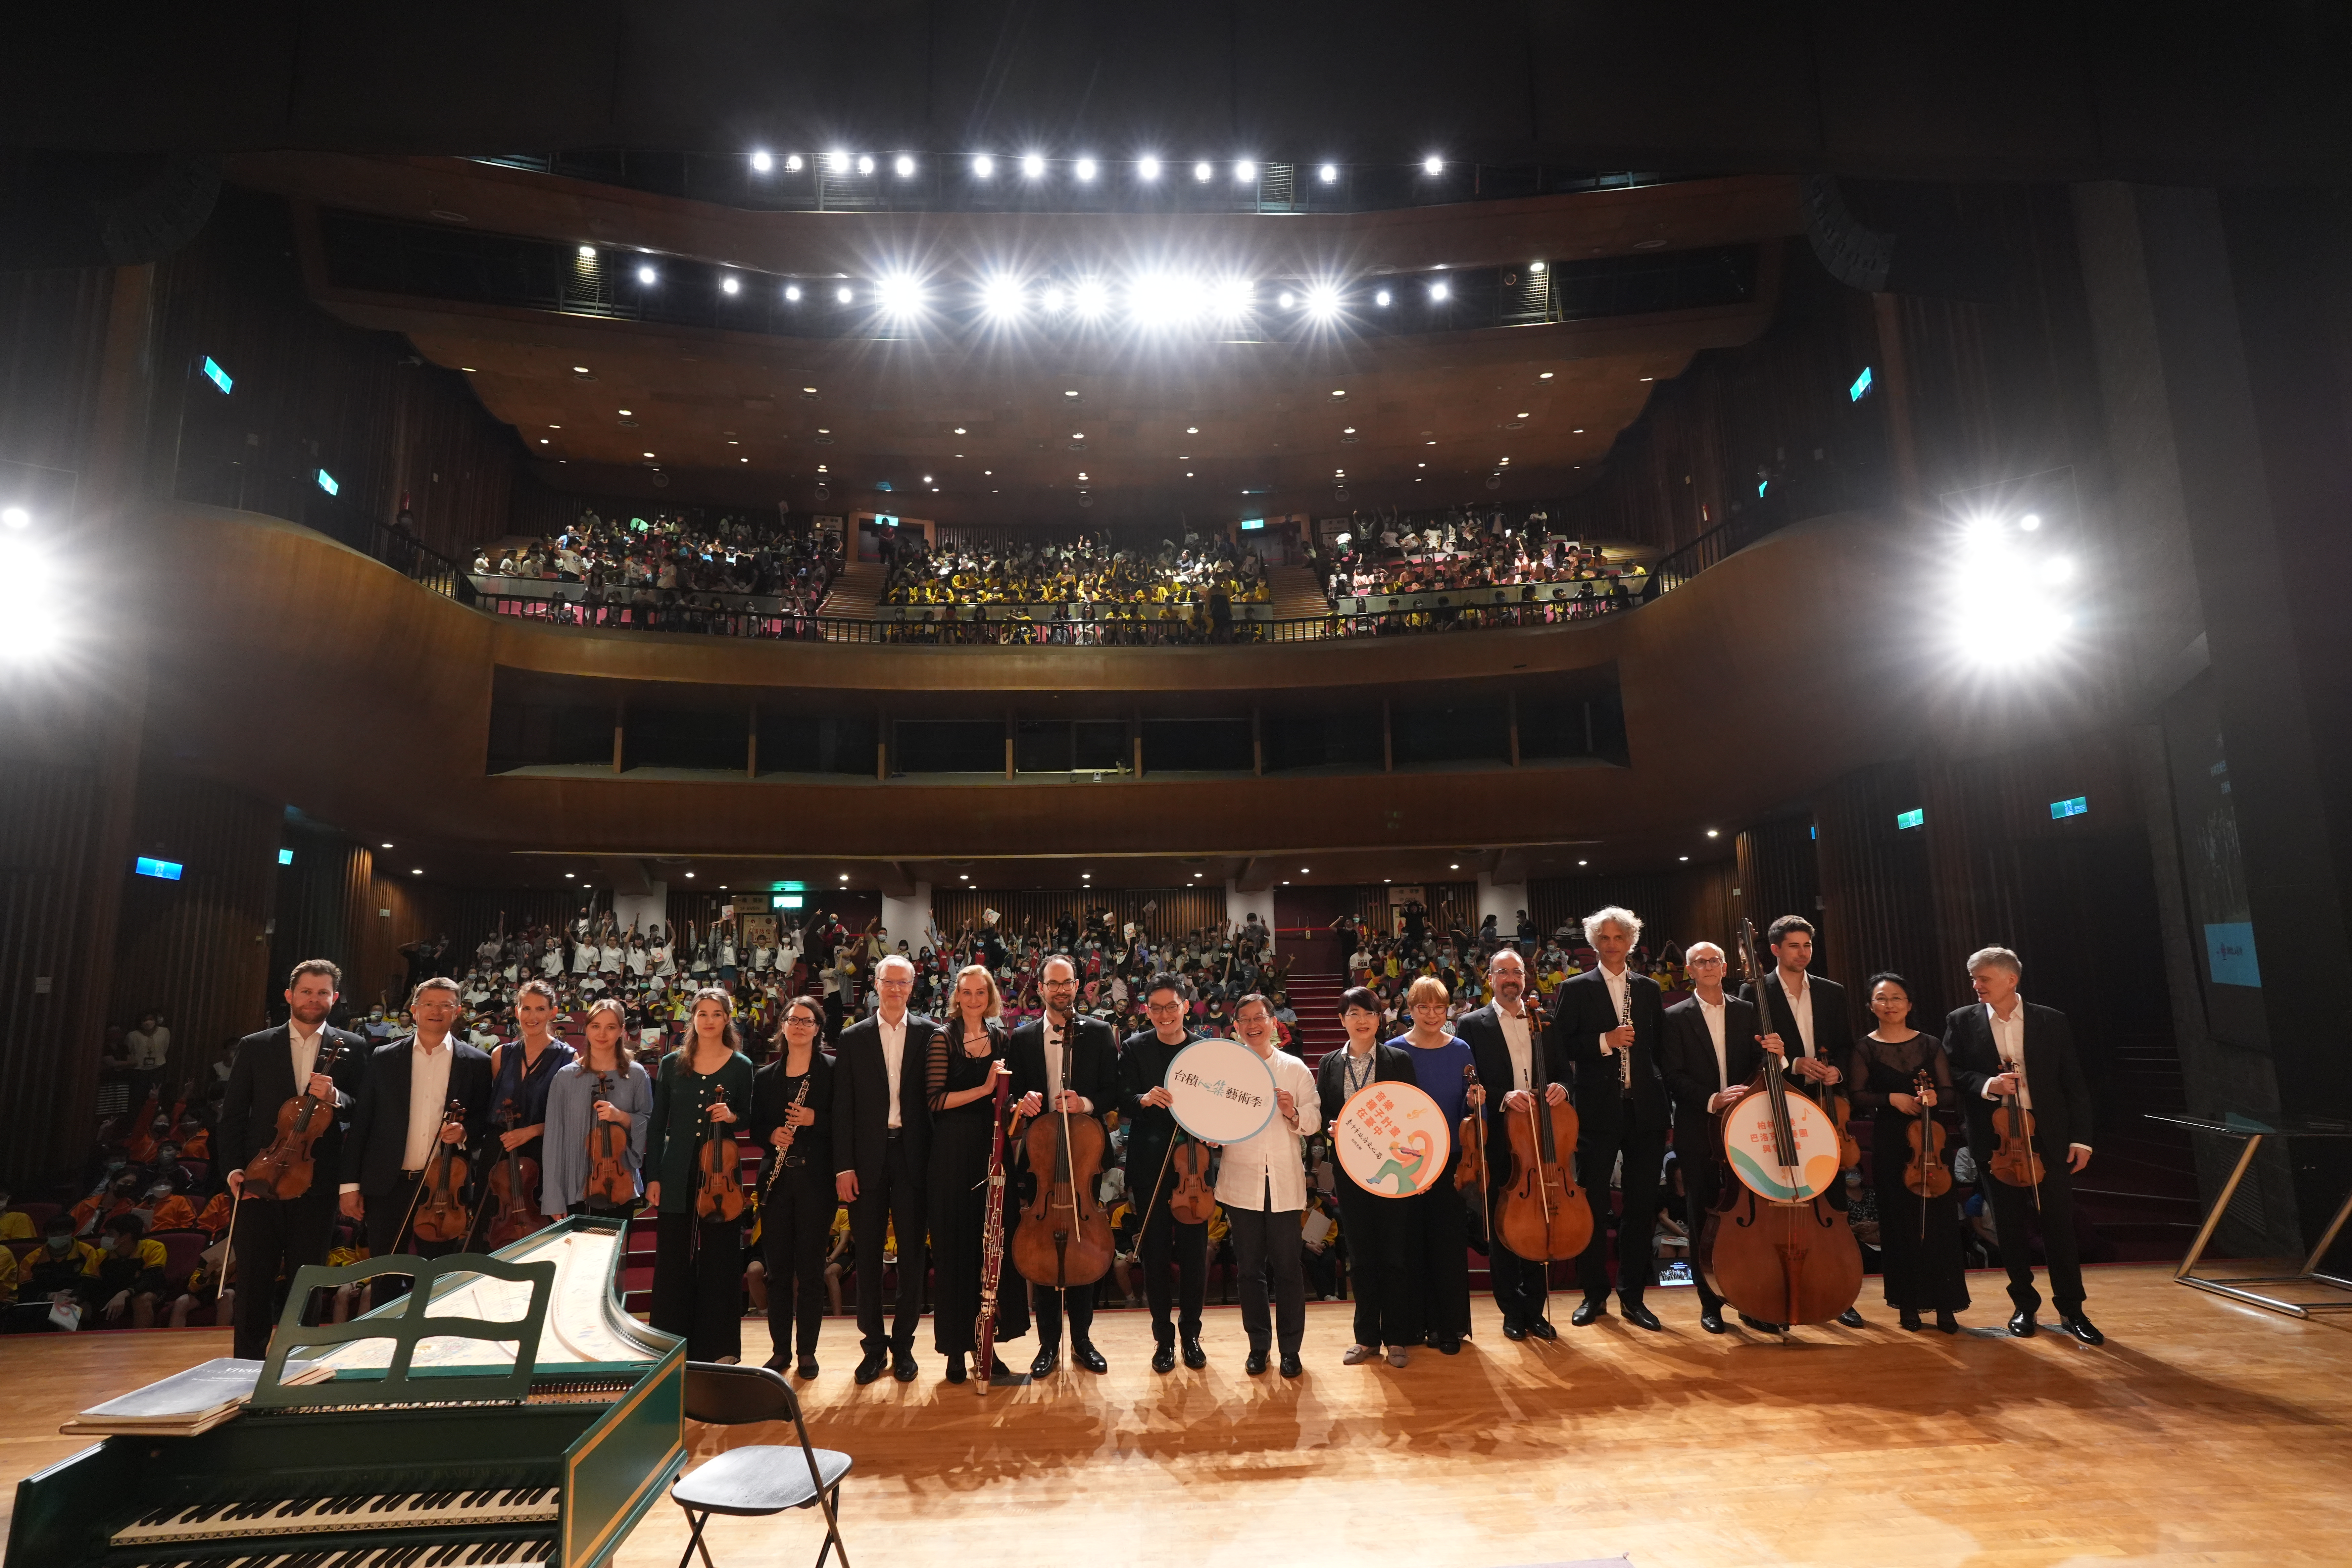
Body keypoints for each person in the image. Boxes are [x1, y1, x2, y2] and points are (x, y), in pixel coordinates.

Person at [1945, 946, 2102, 1345]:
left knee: (2059, 1227)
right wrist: (1987, 1085)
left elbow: (2074, 1083)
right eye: (1974, 978)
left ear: (2011, 980)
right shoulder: (1961, 1021)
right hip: (1997, 1140)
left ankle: (2072, 1308)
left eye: (1984, 978)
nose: (1976, 985)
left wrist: (2081, 1139)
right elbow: (1953, 1072)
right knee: (2009, 1229)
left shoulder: (2051, 1020)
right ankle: (2024, 1306)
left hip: (2047, 1137)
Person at [218, 959, 371, 1360]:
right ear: (290, 995)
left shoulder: (352, 1047)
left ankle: (299, 1363)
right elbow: (233, 1115)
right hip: (261, 1178)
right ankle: (247, 1368)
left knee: (308, 1279)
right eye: (306, 991)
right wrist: (234, 1170)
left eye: (323, 993)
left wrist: (337, 1098)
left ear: (334, 999)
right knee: (254, 1279)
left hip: (317, 1181)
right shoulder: (256, 1046)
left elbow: (363, 1110)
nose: (314, 999)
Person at [339, 978, 493, 1301]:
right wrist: (350, 1186)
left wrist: (466, 1133)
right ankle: (383, 1349)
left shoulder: (477, 1064)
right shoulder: (383, 1057)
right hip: (388, 1184)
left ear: (458, 1011)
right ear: (415, 1010)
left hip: (442, 1189)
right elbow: (363, 1122)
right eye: (429, 1004)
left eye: (446, 1005)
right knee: (385, 1278)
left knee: (436, 1282)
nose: (437, 1011)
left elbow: (483, 1118)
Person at [1555, 907, 1670, 1330]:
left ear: (1631, 941)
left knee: (1640, 1208)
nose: (1611, 944)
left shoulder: (1649, 989)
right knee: (1593, 1205)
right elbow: (1562, 1045)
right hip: (1596, 1111)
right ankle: (1593, 1295)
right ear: (1594, 943)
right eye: (1603, 938)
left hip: (1645, 1111)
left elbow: (1659, 1048)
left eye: (1619, 937)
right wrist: (1606, 1041)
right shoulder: (1576, 987)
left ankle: (1633, 1297)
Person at [1009, 954, 1121, 1375]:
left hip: (1084, 1158)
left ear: (1078, 986)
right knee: (1041, 1253)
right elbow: (1012, 1096)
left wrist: (1085, 1104)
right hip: (1041, 1158)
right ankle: (1048, 1345)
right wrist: (1024, 1103)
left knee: (1084, 1248)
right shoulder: (1020, 1038)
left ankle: (1083, 1341)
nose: (1061, 989)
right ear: (1039, 988)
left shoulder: (1097, 1033)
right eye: (1053, 983)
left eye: (1068, 982)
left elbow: (1112, 1091)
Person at [832, 952, 935, 1384]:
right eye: (888, 982)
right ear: (875, 985)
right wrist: (844, 1168)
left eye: (903, 983)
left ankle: (905, 1346)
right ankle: (874, 1347)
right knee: (870, 1256)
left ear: (914, 987)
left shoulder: (933, 1034)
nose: (896, 989)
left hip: (914, 1159)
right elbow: (842, 1109)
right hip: (868, 1160)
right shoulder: (853, 1038)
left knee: (912, 1257)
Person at [1846, 973, 1969, 1332]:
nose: (1890, 1004)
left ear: (1909, 1004)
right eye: (1882, 999)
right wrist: (1891, 1099)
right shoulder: (1864, 1048)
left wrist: (1933, 1097)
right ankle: (1908, 1305)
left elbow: (1948, 1090)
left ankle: (1946, 1305)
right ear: (1871, 1007)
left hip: (1931, 1140)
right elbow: (1857, 1095)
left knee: (1940, 1222)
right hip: (1890, 1140)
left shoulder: (1930, 1045)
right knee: (1899, 1222)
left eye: (1897, 998)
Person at [1659, 941, 1768, 1334]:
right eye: (1700, 962)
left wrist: (1776, 1055)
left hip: (1744, 1124)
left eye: (1714, 960)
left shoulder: (1749, 1012)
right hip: (1698, 1124)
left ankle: (1750, 1301)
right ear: (1689, 970)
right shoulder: (1673, 1017)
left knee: (1748, 1215)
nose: (1708, 966)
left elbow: (1761, 1064)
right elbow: (1671, 1075)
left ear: (1724, 968)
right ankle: (1711, 1304)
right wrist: (1712, 1100)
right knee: (1702, 1213)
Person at [1452, 948, 1562, 1341]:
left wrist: (1561, 1087)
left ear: (1526, 978)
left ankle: (1536, 1308)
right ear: (1491, 979)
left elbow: (1566, 1070)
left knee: (1540, 1225)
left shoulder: (1544, 1019)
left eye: (1517, 971)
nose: (1511, 978)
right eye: (1503, 972)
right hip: (1501, 1138)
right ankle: (1511, 1311)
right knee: (1503, 1228)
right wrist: (1502, 1096)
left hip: (1545, 1141)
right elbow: (1470, 1080)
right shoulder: (1472, 1024)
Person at [643, 987, 756, 1362]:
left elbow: (751, 1119)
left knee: (721, 1256)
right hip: (676, 1167)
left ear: (727, 1019)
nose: (709, 1020)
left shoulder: (741, 1065)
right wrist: (654, 1176)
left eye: (717, 1014)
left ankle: (721, 1347)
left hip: (720, 1169)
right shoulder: (673, 1062)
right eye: (702, 1013)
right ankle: (670, 1347)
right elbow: (658, 1125)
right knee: (673, 1256)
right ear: (692, 1018)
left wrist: (734, 1116)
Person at [1212, 992, 1321, 1377]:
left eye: (1261, 1018)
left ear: (1274, 1023)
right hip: (1242, 1181)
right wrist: (1212, 1133)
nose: (1254, 1025)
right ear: (1236, 1028)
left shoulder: (1295, 1069)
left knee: (1289, 1268)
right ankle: (1259, 1347)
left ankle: (1291, 1349)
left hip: (1285, 1181)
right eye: (1245, 1020)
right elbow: (1213, 1118)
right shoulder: (1226, 1069)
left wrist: (1293, 1111)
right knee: (1249, 1271)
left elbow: (1315, 1119)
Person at [1315, 985, 1418, 1365]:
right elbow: (1324, 1111)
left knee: (1393, 1253)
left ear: (1381, 1019)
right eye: (1354, 1014)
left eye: (1370, 1014)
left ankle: (1397, 1337)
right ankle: (1366, 1338)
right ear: (1342, 1019)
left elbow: (1413, 1112)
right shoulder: (1329, 1063)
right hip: (1349, 1167)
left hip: (1393, 1169)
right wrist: (1329, 1127)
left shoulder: (1398, 1059)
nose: (1363, 1021)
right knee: (1359, 1256)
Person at [923, 968, 1012, 1385]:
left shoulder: (1001, 1037)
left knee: (989, 1255)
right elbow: (936, 1100)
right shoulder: (943, 1037)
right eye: (967, 991)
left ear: (990, 995)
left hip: (991, 1150)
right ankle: (956, 1351)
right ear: (956, 996)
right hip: (953, 1153)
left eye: (982, 991)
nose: (974, 998)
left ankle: (987, 1346)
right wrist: (985, 1088)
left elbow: (1009, 1099)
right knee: (956, 1251)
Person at [1122, 972, 1212, 1373]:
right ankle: (1163, 1339)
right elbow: (1120, 1097)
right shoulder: (1134, 1047)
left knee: (1195, 1255)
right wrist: (1143, 1098)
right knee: (1155, 1255)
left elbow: (1218, 1105)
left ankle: (1191, 1333)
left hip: (1195, 1169)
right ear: (1147, 1010)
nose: (1163, 1015)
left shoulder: (1204, 1050)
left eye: (1170, 1007)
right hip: (1149, 1167)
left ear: (1185, 1007)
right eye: (1155, 1008)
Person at [752, 994, 841, 1378]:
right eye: (794, 1019)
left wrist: (813, 1117)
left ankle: (807, 1351)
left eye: (808, 1021)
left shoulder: (834, 1072)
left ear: (818, 1029)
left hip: (816, 1182)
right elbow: (756, 1128)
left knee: (809, 1271)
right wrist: (772, 1134)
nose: (800, 1026)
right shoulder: (765, 1076)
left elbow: (844, 1123)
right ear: (783, 1026)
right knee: (777, 1272)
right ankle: (779, 1351)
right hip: (777, 1182)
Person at [1391, 975, 1481, 1352]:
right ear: (1410, 1010)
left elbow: (1470, 1106)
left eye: (1439, 1007)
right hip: (1408, 1160)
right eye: (1423, 1007)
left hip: (1451, 1160)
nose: (1432, 1014)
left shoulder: (1461, 1048)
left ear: (1449, 1010)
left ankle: (1449, 1327)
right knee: (1410, 1243)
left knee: (1447, 1244)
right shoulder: (1394, 1049)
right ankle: (1413, 1326)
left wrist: (1477, 1102)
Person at [540, 997, 651, 1219]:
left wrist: (620, 1116)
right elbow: (554, 1139)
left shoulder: (637, 1074)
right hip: (574, 1186)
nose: (602, 1034)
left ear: (621, 1031)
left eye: (611, 1027)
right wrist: (553, 1197)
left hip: (620, 1184)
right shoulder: (565, 1077)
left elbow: (648, 1123)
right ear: (586, 1029)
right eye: (596, 1026)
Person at [484, 980, 575, 1221]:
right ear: (517, 1012)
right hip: (499, 1152)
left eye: (540, 1009)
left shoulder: (570, 1058)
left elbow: (571, 1119)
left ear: (553, 1012)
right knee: (493, 1226)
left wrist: (531, 1131)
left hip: (543, 1154)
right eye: (526, 1008)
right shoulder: (500, 1055)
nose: (532, 1016)